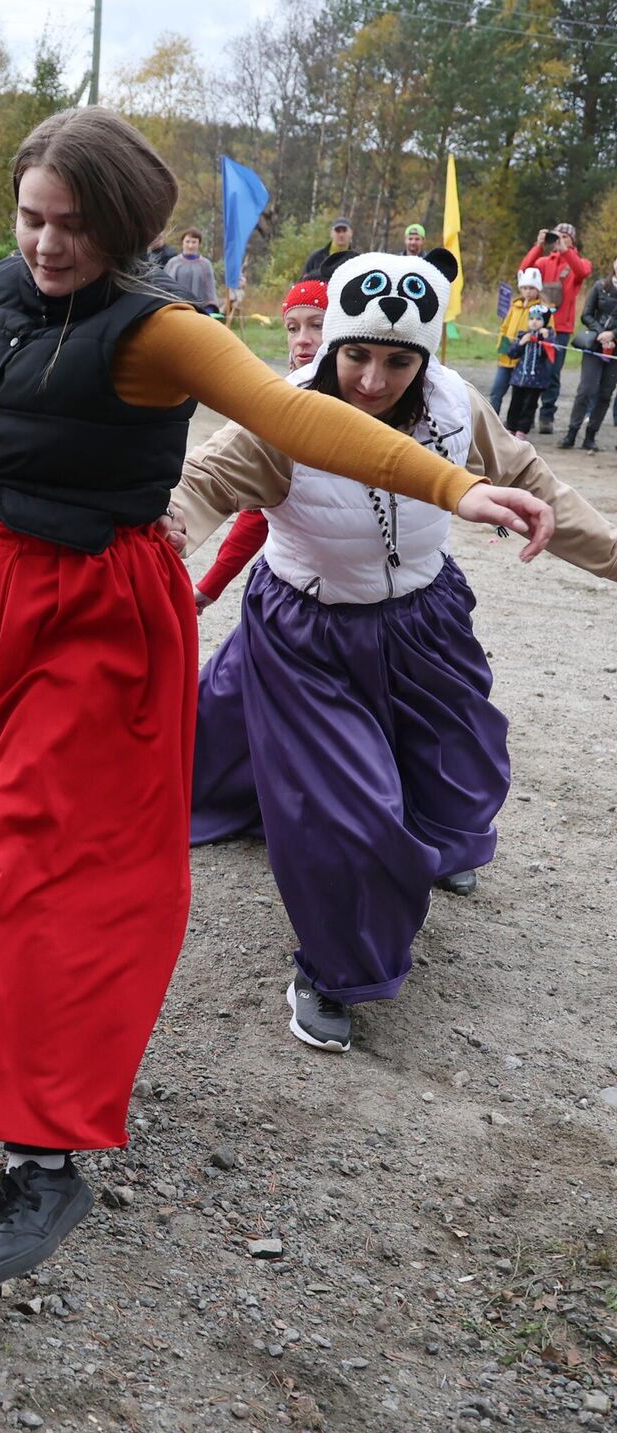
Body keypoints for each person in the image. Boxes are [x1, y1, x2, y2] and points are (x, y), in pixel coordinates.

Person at [0, 107, 554, 1286]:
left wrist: (450, 479)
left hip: (90, 614)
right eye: (31, 216)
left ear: (124, 228)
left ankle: (47, 1149)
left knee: (43, 857)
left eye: (72, 226)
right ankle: (10, 1015)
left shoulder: (159, 333)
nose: (43, 242)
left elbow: (297, 415)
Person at [172, 248, 614, 1054]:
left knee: (461, 757)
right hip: (310, 630)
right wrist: (162, 536)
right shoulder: (279, 413)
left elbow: (535, 484)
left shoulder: (455, 404)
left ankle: (432, 846)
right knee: (349, 815)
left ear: (427, 356)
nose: (374, 379)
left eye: (398, 359)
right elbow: (201, 485)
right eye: (358, 355)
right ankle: (333, 971)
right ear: (333, 345)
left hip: (423, 618)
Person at [191, 277, 326, 611]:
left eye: (317, 325)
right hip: (298, 591)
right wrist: (210, 586)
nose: (302, 340)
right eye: (292, 328)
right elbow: (258, 514)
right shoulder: (286, 403)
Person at [520, 224, 591, 433]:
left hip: (560, 328)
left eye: (565, 236)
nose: (560, 239)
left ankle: (547, 416)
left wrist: (565, 250)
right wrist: (538, 245)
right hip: (536, 324)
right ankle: (527, 417)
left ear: (572, 240)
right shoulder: (543, 262)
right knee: (531, 370)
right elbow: (524, 271)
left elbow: (582, 271)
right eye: (557, 235)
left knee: (552, 373)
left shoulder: (579, 263)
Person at [561, 255, 617, 452]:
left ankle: (591, 436)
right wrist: (601, 332)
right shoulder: (600, 286)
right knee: (586, 389)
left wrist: (613, 334)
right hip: (595, 345)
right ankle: (571, 433)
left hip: (615, 352)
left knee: (605, 393)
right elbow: (586, 314)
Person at [493, 268, 544, 415]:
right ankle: (492, 419)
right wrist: (502, 349)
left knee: (521, 397)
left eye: (531, 288)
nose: (527, 291)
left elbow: (547, 330)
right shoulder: (514, 307)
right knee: (497, 391)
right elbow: (504, 328)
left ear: (537, 289)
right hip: (506, 359)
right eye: (525, 288)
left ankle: (518, 423)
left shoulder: (541, 310)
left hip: (524, 361)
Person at [505, 300, 557, 438]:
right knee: (515, 403)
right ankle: (511, 427)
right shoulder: (523, 335)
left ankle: (522, 430)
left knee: (529, 406)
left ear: (544, 322)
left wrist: (547, 340)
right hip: (519, 378)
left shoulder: (548, 337)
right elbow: (511, 353)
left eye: (538, 319)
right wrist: (521, 343)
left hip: (536, 380)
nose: (534, 322)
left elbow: (552, 355)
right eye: (532, 318)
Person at [164, 228, 219, 314]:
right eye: (187, 241)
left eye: (194, 242)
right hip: (175, 311)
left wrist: (209, 310)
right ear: (182, 242)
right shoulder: (173, 263)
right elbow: (165, 287)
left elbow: (210, 289)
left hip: (199, 312)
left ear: (198, 244)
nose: (190, 245)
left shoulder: (205, 265)